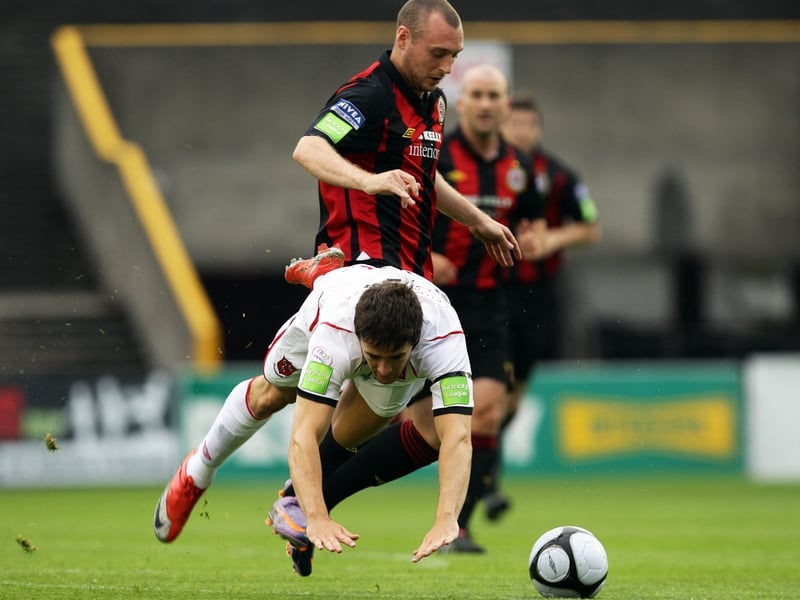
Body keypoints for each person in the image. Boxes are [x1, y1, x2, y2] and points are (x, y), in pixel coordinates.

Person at [154, 264, 474, 577]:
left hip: (400, 309)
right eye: (374, 357)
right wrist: (317, 517)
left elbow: (458, 437)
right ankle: (199, 470)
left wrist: (447, 518)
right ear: (359, 338)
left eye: (396, 357)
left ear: (415, 341)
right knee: (272, 395)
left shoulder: (444, 340)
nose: (384, 370)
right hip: (331, 301)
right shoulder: (334, 337)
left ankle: (294, 500)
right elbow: (303, 435)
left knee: (350, 435)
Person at [286, 0, 521, 289]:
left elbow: (423, 176)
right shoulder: (370, 94)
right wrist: (369, 181)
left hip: (414, 269)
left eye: (454, 56)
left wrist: (476, 220)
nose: (447, 68)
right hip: (363, 266)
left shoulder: (435, 102)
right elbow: (308, 148)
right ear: (403, 38)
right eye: (438, 53)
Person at [424, 65, 547, 553]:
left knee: (488, 413)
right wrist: (427, 257)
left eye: (494, 95)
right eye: (476, 94)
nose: (485, 103)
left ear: (506, 105)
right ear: (462, 101)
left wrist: (534, 239)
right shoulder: (437, 154)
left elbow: (534, 222)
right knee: (420, 427)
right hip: (433, 301)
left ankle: (459, 526)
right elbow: (403, 213)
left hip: (491, 303)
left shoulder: (520, 166)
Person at [482, 92, 601, 517]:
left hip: (539, 295)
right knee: (492, 392)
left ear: (539, 129)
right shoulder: (487, 170)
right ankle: (487, 479)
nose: (521, 131)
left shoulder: (560, 176)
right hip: (493, 290)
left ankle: (486, 463)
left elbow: (590, 228)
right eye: (514, 124)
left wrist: (552, 239)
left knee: (512, 398)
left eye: (528, 125)